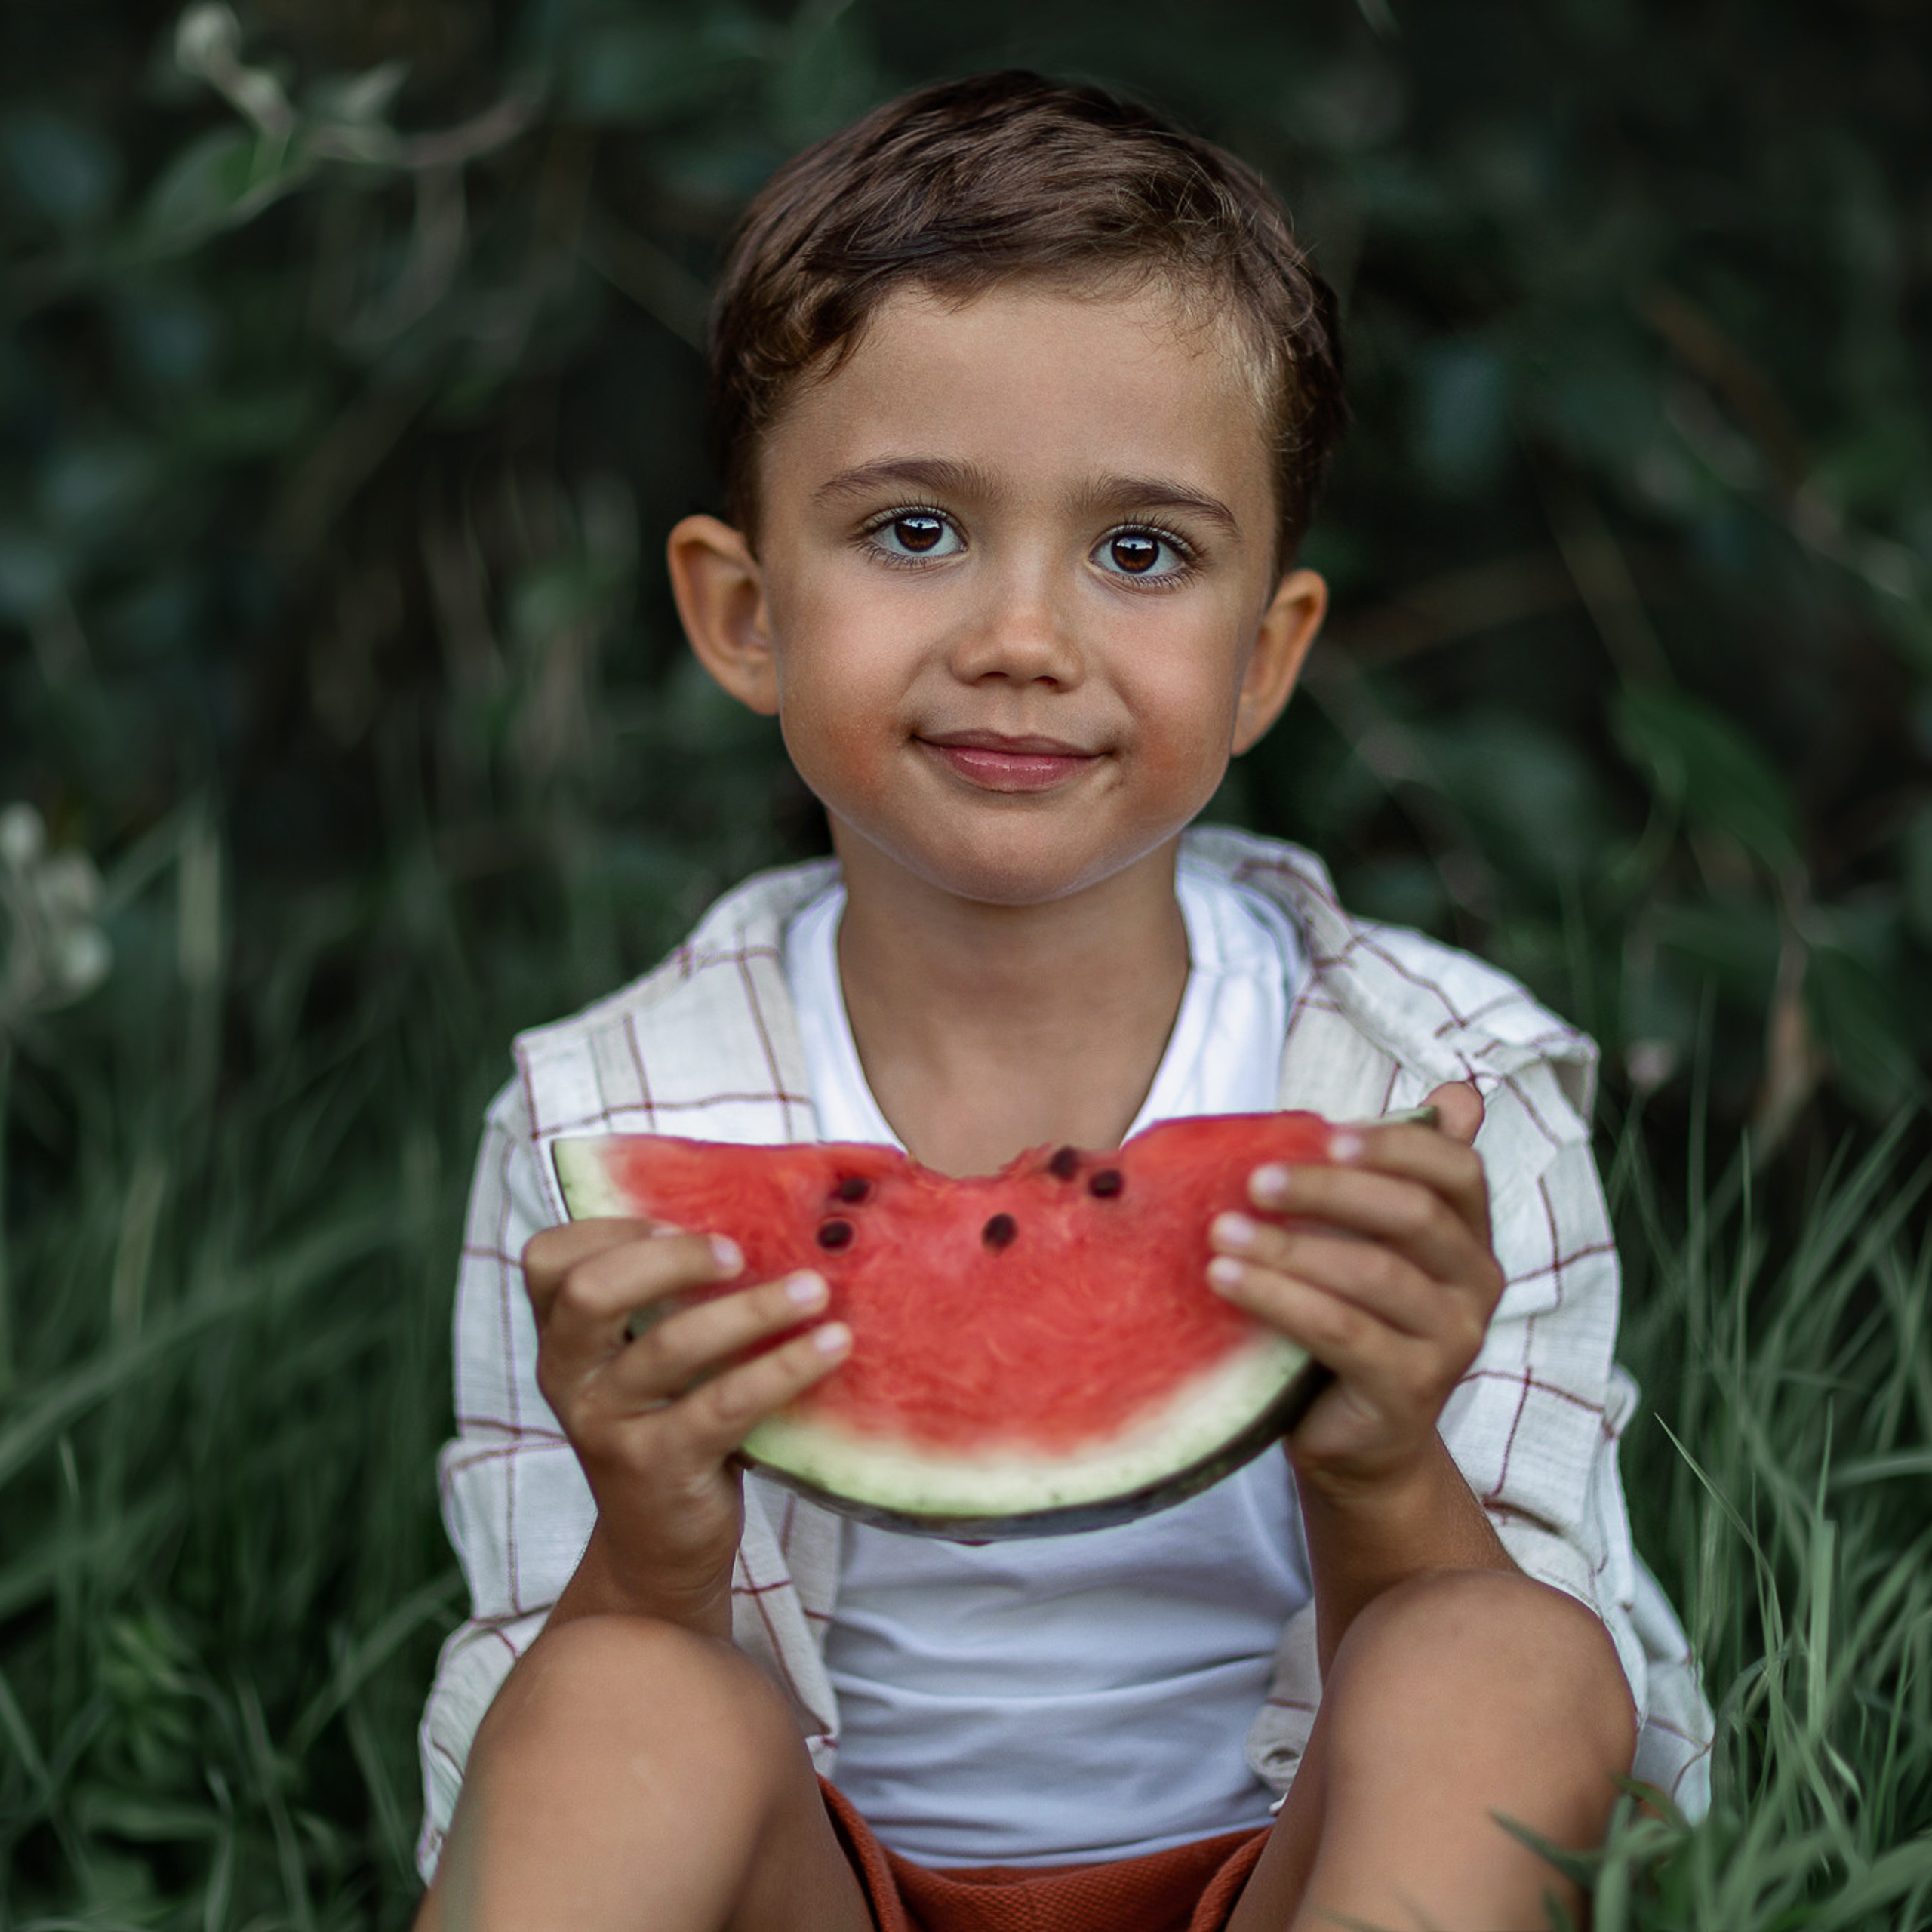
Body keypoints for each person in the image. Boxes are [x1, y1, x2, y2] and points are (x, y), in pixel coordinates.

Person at [411, 72, 1712, 1932]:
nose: (1023, 638)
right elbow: (539, 1745)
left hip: (1284, 1880)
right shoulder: (603, 1117)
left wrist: (1378, 1459)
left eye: (1140, 552)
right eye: (914, 530)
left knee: (1500, 1664)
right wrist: (649, 1550)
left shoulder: (1435, 1092)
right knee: (621, 1694)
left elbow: (1569, 1734)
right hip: (815, 1893)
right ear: (740, 610)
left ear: (1266, 658)